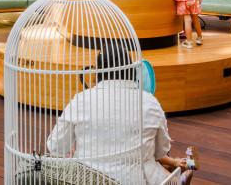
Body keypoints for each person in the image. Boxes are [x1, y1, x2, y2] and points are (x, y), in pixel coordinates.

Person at [45, 47, 194, 185]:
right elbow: (161, 150)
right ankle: (178, 180)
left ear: (98, 71)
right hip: (137, 180)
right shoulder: (149, 102)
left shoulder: (80, 100)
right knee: (156, 165)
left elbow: (56, 147)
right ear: (130, 70)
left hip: (87, 179)